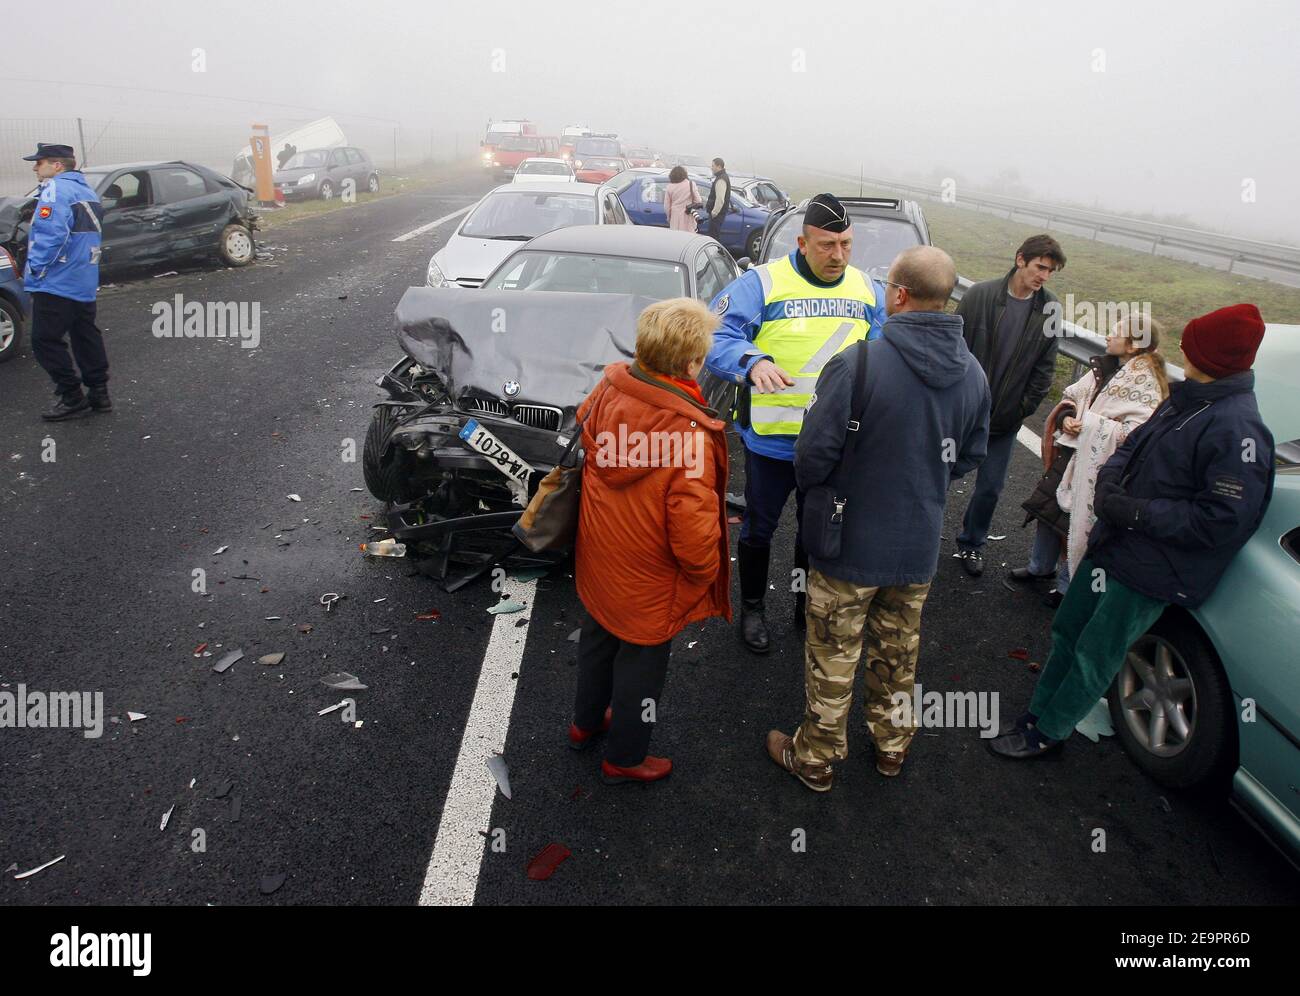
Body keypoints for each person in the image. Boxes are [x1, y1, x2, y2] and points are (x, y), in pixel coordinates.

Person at [989, 304, 1274, 759]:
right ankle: (1038, 712)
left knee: (1095, 653)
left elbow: (1221, 520)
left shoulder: (1238, 430)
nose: (1182, 346)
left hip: (1150, 569)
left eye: (1193, 342)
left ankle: (1049, 732)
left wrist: (1134, 512)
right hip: (1115, 543)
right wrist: (1108, 487)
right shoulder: (1188, 399)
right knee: (1069, 630)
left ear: (1213, 357)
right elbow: (1130, 447)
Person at [766, 247, 990, 792]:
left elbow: (812, 455)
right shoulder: (974, 375)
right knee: (898, 652)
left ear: (899, 294)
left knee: (832, 655)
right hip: (916, 548)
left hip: (848, 545)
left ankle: (816, 758)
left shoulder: (858, 363)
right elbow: (968, 456)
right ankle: (891, 748)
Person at [705, 193, 886, 654]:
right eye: (827, 245)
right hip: (772, 442)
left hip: (832, 446)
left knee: (814, 531)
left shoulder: (869, 290)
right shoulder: (762, 283)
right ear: (802, 242)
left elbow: (888, 352)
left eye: (846, 244)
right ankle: (753, 610)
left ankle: (804, 605)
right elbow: (714, 331)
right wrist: (751, 360)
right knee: (760, 529)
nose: (838, 255)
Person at [570, 298, 731, 784]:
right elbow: (694, 526)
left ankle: (585, 721)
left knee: (598, 636)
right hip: (650, 573)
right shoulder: (689, 431)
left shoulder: (610, 385)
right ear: (690, 363)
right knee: (643, 663)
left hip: (600, 551)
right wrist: (705, 572)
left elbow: (586, 433)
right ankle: (625, 756)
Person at [1010, 315, 1170, 607]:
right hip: (1072, 453)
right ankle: (1039, 566)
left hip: (1099, 465)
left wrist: (1091, 425)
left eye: (1116, 332)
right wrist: (1066, 417)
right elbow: (1072, 398)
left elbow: (1136, 433)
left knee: (1078, 521)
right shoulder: (1107, 366)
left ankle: (1067, 586)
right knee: (1048, 509)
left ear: (1133, 346)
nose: (1108, 336)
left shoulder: (1145, 384)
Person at [952, 235, 1066, 576]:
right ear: (1020, 260)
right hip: (962, 415)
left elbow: (1046, 366)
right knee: (936, 476)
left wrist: (1024, 407)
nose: (1044, 276)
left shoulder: (1050, 308)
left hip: (1005, 421)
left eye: (1050, 271)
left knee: (990, 489)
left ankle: (972, 544)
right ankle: (915, 534)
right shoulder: (979, 296)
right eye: (1040, 267)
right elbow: (953, 348)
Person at [21, 143, 109, 421]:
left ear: (57, 165)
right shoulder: (85, 189)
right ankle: (99, 392)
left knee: (44, 340)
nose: (36, 167)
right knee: (85, 335)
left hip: (57, 279)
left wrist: (35, 269)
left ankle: (71, 396)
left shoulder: (55, 189)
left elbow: (51, 234)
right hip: (83, 277)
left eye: (40, 162)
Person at [663, 165, 701, 233]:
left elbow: (666, 206)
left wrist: (669, 218)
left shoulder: (669, 187)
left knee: (676, 238)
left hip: (675, 217)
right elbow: (698, 200)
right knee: (689, 238)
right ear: (684, 174)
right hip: (688, 215)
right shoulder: (691, 184)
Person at [704, 157, 732, 241]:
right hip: (718, 214)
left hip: (717, 215)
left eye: (713, 166)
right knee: (714, 235)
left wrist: (714, 212)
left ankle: (714, 253)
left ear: (719, 166)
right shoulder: (722, 177)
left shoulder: (721, 179)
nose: (711, 168)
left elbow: (720, 199)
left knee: (713, 237)